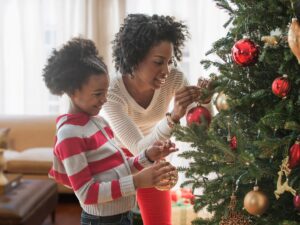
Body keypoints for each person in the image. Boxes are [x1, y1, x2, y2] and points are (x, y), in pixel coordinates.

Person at [42, 37, 178, 225]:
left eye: (105, 92)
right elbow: (87, 193)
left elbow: (118, 169)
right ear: (73, 92)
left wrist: (148, 156)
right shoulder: (69, 135)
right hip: (101, 221)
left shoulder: (99, 122)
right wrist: (137, 182)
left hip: (122, 215)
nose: (105, 100)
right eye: (98, 94)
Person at [103, 14, 210, 225]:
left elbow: (200, 129)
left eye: (169, 62)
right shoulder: (112, 92)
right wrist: (173, 117)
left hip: (154, 152)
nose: (166, 71)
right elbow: (137, 148)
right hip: (116, 158)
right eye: (158, 62)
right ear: (134, 58)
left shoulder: (175, 78)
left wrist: (205, 101)